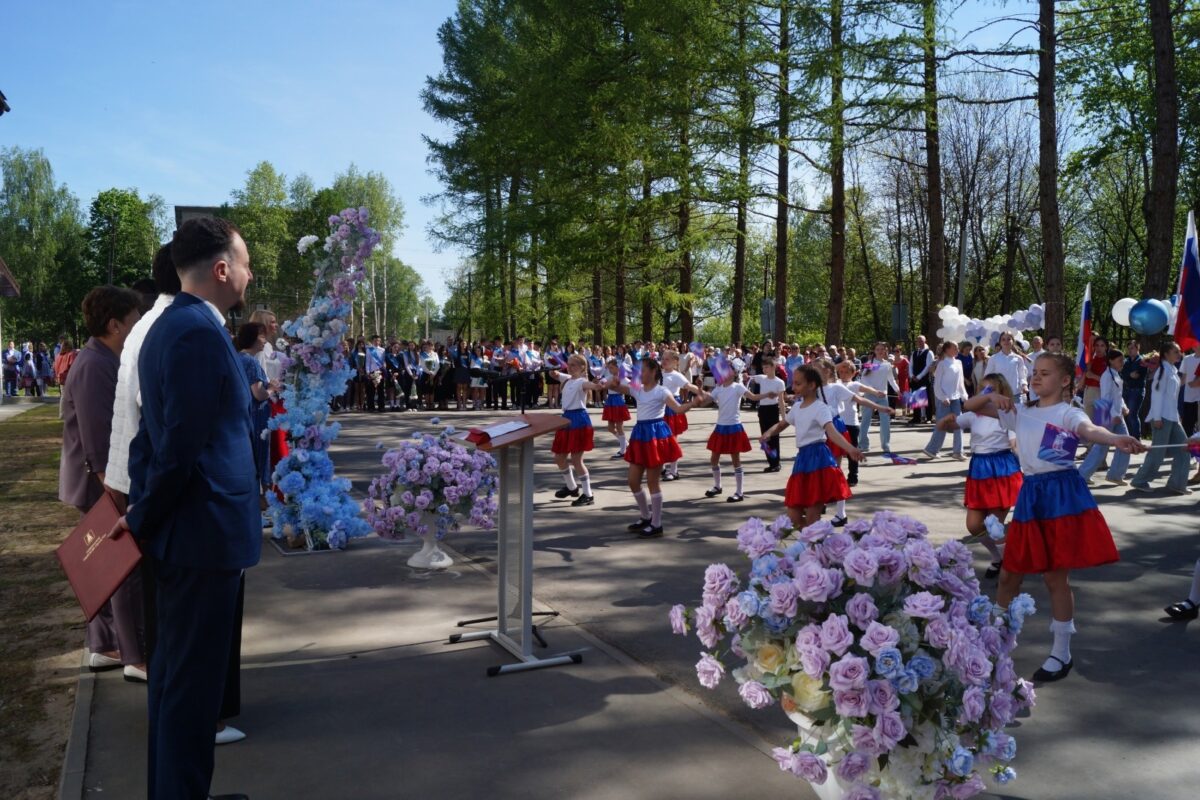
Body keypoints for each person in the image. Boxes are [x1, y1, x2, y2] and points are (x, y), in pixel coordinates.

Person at [114, 216, 258, 800]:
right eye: (246, 262)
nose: (250, 273)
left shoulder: (173, 326)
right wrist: (144, 518)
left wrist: (145, 517)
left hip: (189, 532)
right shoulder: (196, 331)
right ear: (222, 270)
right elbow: (177, 446)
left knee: (175, 684)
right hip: (203, 535)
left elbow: (152, 439)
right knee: (191, 692)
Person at [964, 352, 1145, 682]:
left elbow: (1089, 429)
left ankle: (1061, 653)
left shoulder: (1067, 412)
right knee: (1009, 575)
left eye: (1044, 373)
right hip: (1031, 494)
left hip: (1060, 497)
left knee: (1054, 578)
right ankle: (996, 643)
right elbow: (969, 407)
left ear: (1064, 381)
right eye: (1034, 372)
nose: (1035, 378)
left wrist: (1116, 438)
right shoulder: (1020, 412)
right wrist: (993, 394)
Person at [60, 285, 145, 681]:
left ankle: (105, 645)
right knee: (122, 567)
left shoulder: (102, 357)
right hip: (102, 482)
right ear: (114, 324)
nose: (139, 326)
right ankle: (133, 655)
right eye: (133, 321)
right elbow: (98, 437)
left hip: (100, 479)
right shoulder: (96, 364)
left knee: (105, 565)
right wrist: (114, 494)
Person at [937, 373, 1022, 578]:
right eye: (983, 390)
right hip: (979, 469)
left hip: (1001, 469)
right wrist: (944, 422)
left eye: (991, 390)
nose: (986, 394)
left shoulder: (1006, 414)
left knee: (994, 525)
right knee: (974, 526)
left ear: (1002, 393)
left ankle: (1009, 568)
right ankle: (998, 556)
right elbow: (947, 426)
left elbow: (1015, 442)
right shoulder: (973, 415)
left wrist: (1025, 462)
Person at [608, 358, 702, 538]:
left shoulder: (661, 391)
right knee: (633, 481)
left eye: (642, 371)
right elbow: (616, 388)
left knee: (652, 482)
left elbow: (678, 409)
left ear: (652, 372)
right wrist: (614, 382)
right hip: (640, 435)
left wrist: (693, 403)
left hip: (655, 436)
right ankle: (645, 516)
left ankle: (657, 524)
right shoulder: (638, 390)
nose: (639, 374)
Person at [760, 365, 862, 527]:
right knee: (794, 513)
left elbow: (832, 432)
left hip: (819, 458)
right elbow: (781, 425)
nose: (793, 387)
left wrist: (850, 449)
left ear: (812, 385)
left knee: (813, 514)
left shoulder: (821, 408)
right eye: (793, 383)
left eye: (798, 384)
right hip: (802, 459)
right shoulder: (796, 407)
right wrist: (768, 433)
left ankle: (814, 545)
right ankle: (813, 543)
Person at [822, 359, 891, 512]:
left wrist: (876, 398)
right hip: (821, 428)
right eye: (842, 371)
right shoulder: (820, 386)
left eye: (847, 371)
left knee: (842, 457)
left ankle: (850, 478)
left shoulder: (842, 386)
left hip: (844, 424)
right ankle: (825, 495)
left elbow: (862, 393)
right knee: (824, 463)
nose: (844, 373)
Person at [1130, 342, 1192, 495]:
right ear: (1166, 354)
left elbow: (1172, 397)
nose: (1179, 354)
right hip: (1161, 417)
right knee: (1157, 453)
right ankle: (1139, 480)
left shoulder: (1172, 369)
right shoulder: (1162, 371)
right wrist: (1157, 417)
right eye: (1175, 351)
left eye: (1178, 351)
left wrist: (1177, 417)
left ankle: (1177, 483)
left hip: (1172, 417)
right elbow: (1157, 396)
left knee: (1184, 449)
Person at [549, 354, 608, 507]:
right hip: (566, 419)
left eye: (574, 365)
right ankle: (572, 487)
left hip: (578, 420)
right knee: (559, 458)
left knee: (576, 459)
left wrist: (598, 385)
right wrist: (553, 370)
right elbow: (553, 374)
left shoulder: (582, 381)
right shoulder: (568, 379)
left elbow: (592, 386)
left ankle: (588, 494)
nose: (570, 367)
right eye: (569, 364)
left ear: (582, 367)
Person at [1079, 349, 1132, 487]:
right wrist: (1114, 414)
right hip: (1110, 416)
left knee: (1124, 444)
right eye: (1120, 360)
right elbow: (1106, 397)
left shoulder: (1115, 374)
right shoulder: (1107, 376)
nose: (1123, 362)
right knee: (1102, 446)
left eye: (1123, 360)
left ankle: (1115, 475)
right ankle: (1083, 474)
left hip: (1116, 415)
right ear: (1111, 361)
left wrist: (1123, 407)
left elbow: (1118, 396)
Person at [701, 369, 752, 503]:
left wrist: (766, 395)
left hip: (734, 427)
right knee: (713, 459)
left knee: (735, 460)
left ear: (734, 374)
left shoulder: (738, 387)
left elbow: (753, 397)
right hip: (720, 427)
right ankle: (718, 486)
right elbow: (705, 401)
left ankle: (739, 492)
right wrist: (700, 390)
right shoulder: (718, 389)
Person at [922, 341, 968, 460]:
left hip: (956, 398)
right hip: (943, 399)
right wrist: (943, 397)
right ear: (947, 350)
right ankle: (931, 449)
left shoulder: (959, 362)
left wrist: (964, 395)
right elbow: (937, 385)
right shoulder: (942, 364)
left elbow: (960, 381)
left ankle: (958, 451)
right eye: (955, 348)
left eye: (958, 348)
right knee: (942, 425)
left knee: (959, 423)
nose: (957, 350)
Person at [660, 351, 699, 481]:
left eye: (667, 359)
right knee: (660, 439)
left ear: (675, 362)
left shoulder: (676, 375)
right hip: (659, 408)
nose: (664, 361)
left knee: (672, 440)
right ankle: (662, 467)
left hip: (672, 408)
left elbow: (689, 386)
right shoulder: (658, 374)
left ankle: (674, 470)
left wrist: (702, 392)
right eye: (663, 358)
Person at [856, 342, 897, 453]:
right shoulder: (869, 364)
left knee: (885, 421)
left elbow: (891, 379)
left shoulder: (887, 364)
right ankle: (863, 444)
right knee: (866, 420)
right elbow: (864, 380)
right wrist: (874, 391)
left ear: (885, 351)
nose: (880, 351)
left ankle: (886, 445)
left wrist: (898, 390)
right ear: (874, 351)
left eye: (882, 349)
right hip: (870, 395)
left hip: (883, 396)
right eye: (877, 349)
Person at [749, 355, 787, 473]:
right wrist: (745, 376)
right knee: (764, 436)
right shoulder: (761, 378)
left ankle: (776, 462)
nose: (765, 370)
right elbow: (750, 378)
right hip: (763, 409)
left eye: (767, 367)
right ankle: (771, 462)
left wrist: (784, 417)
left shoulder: (779, 382)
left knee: (773, 437)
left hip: (772, 409)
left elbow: (781, 400)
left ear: (773, 367)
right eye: (763, 367)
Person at [601, 358, 631, 458]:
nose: (610, 370)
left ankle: (623, 450)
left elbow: (632, 387)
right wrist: (599, 381)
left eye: (612, 368)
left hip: (618, 401)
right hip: (610, 401)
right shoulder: (609, 376)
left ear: (618, 368)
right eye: (609, 368)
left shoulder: (623, 378)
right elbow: (602, 381)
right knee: (610, 428)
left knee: (619, 426)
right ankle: (625, 443)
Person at [985, 333, 1028, 402]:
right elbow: (988, 376)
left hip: (1016, 394)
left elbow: (1022, 375)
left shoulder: (1018, 358)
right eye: (1003, 339)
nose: (1006, 342)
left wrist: (1024, 385)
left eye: (1009, 339)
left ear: (1013, 341)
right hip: (999, 395)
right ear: (1000, 342)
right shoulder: (994, 358)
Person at [1120, 340, 1147, 438]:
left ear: (1137, 348)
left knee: (1132, 415)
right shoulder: (1127, 361)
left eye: (1132, 348)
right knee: (1127, 415)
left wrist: (1129, 375)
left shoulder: (1142, 361)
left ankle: (1136, 438)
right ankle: (1129, 437)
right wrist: (1129, 375)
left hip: (1137, 391)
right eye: (1129, 348)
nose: (1130, 350)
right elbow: (1122, 374)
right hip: (1127, 390)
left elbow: (1137, 374)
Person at [909, 335, 934, 424]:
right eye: (918, 341)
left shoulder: (929, 352)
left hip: (924, 379)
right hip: (914, 379)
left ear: (925, 341)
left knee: (926, 398)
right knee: (915, 398)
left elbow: (928, 366)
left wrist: (919, 377)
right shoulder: (914, 353)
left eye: (921, 341)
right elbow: (910, 365)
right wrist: (911, 376)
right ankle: (916, 417)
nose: (919, 343)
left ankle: (928, 418)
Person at [1181, 343, 1200, 437]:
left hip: (1199, 398)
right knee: (1187, 426)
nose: (1196, 345)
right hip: (1188, 398)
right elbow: (1183, 378)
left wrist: (1195, 383)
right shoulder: (1187, 359)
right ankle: (1188, 449)